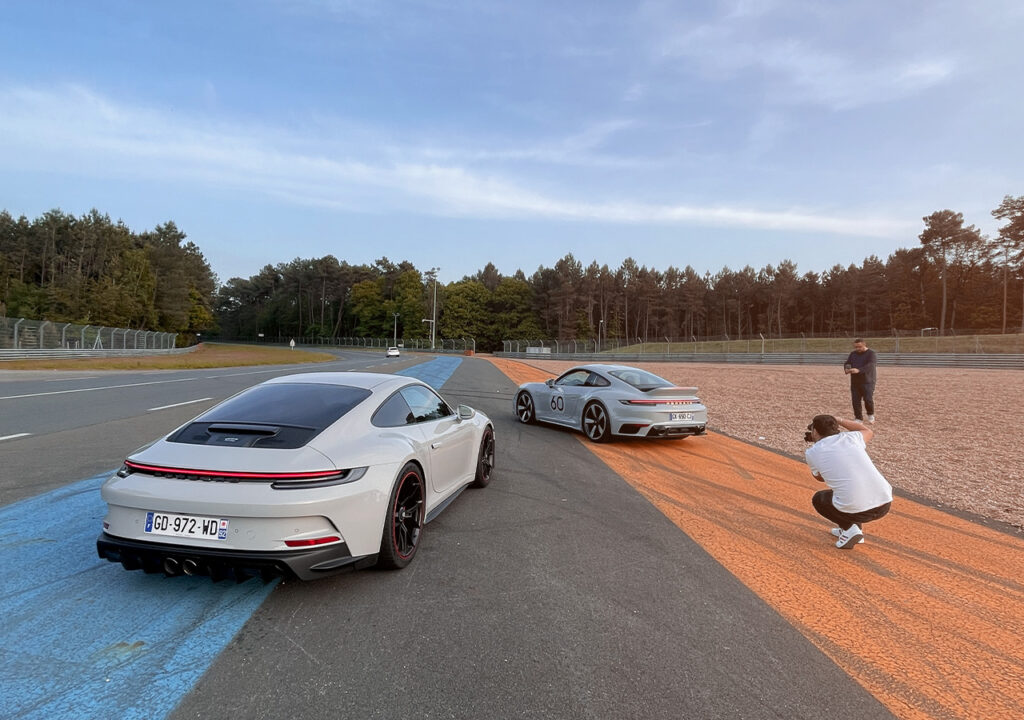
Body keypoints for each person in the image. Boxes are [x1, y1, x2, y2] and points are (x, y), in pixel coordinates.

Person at [805, 414, 892, 549]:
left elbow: (820, 478)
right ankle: (850, 529)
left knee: (820, 499)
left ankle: (850, 529)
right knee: (848, 489)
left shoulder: (812, 452)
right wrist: (839, 419)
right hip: (884, 503)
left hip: (858, 508)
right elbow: (868, 431)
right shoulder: (852, 437)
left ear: (815, 431)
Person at [844, 338, 877, 423]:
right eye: (856, 347)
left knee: (868, 399)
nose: (857, 349)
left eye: (859, 347)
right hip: (855, 381)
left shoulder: (871, 353)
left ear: (864, 344)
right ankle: (858, 418)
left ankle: (870, 414)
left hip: (868, 381)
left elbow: (871, 365)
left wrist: (859, 370)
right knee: (855, 400)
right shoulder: (853, 354)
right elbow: (848, 362)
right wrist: (847, 368)